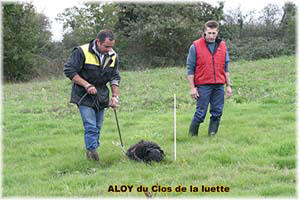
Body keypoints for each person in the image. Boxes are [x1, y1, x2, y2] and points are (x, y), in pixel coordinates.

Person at [64, 29, 121, 162]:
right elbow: (69, 70)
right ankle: (92, 153)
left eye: (111, 46)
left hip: (101, 95)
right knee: (90, 125)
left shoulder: (113, 56)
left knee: (97, 127)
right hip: (83, 95)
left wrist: (115, 96)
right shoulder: (81, 51)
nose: (109, 49)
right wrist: (86, 85)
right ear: (98, 42)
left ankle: (92, 149)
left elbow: (115, 77)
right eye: (106, 46)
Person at [187, 20, 232, 137]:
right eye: (209, 33)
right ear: (204, 32)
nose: (211, 36)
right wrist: (192, 88)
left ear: (217, 32)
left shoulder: (222, 45)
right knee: (200, 113)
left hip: (219, 85)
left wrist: (228, 85)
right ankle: (192, 137)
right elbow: (190, 68)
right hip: (203, 85)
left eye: (214, 33)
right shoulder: (195, 46)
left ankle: (212, 136)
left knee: (217, 112)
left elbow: (226, 67)